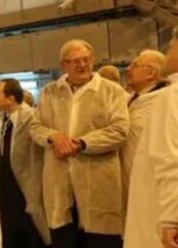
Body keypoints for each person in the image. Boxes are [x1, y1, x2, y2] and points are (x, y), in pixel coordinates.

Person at [30, 39, 129, 248]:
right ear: (63, 65)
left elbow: (120, 130)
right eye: (75, 61)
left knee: (101, 241)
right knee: (63, 237)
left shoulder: (111, 91)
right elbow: (35, 126)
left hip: (98, 183)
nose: (82, 65)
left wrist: (82, 143)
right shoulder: (49, 93)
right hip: (59, 183)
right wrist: (54, 137)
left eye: (86, 59)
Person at [124, 33, 178, 248]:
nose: (167, 54)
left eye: (171, 48)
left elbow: (170, 160)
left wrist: (171, 219)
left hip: (160, 205)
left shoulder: (170, 96)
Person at [0, 78, 50, 248]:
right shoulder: (1, 121)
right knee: (10, 238)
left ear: (10, 98)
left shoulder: (31, 118)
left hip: (26, 191)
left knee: (31, 237)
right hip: (6, 192)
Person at [121, 50, 168, 212]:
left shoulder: (164, 100)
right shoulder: (132, 98)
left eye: (135, 65)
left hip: (153, 179)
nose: (128, 69)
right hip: (131, 176)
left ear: (151, 72)